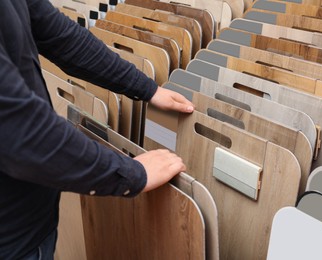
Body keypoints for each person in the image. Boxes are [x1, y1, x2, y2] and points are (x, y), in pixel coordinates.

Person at [0, 0, 195, 259]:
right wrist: (132, 174)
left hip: (31, 222)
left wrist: (147, 88)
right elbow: (23, 133)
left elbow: (61, 37)